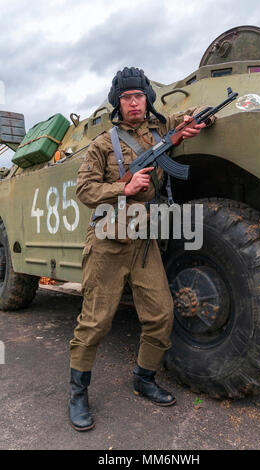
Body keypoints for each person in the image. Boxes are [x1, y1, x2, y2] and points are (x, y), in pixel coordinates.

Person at [68, 67, 213, 431]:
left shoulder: (160, 129)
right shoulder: (104, 144)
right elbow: (84, 191)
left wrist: (195, 125)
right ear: (118, 104)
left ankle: (144, 378)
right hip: (108, 243)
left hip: (145, 242)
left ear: (147, 98)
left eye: (139, 96)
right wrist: (124, 187)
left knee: (161, 315)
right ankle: (77, 392)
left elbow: (195, 115)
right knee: (96, 323)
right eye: (127, 98)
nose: (134, 103)